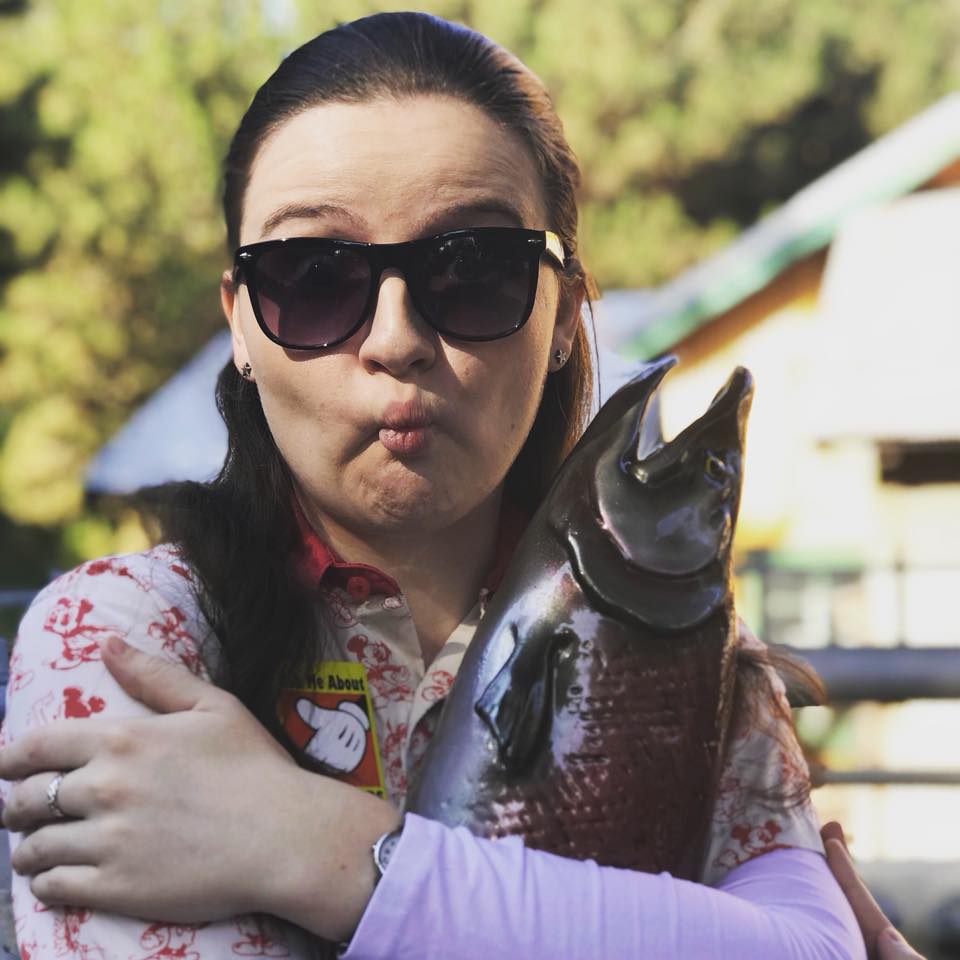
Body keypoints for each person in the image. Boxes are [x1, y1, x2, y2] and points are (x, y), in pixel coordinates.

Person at [0, 12, 865, 959]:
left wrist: (314, 846)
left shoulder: (684, 662)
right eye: (313, 275)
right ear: (240, 324)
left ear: (568, 313)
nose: (396, 338)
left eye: (473, 270)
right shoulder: (130, 634)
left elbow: (808, 949)